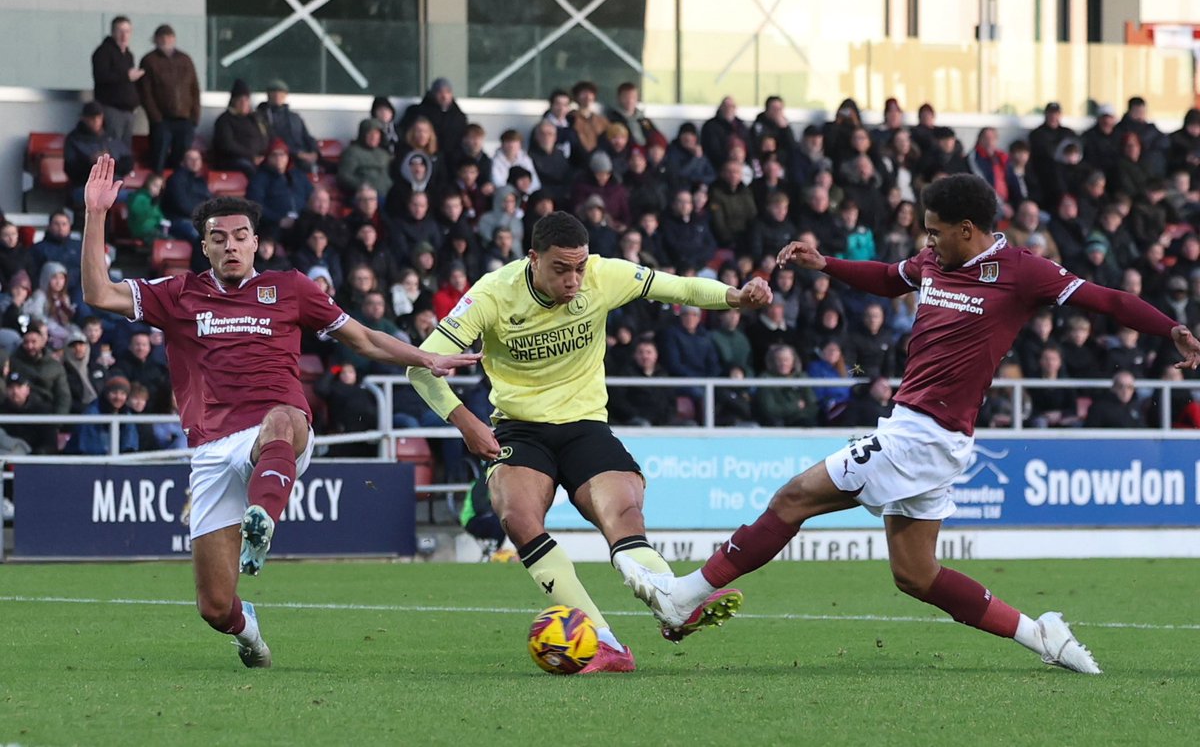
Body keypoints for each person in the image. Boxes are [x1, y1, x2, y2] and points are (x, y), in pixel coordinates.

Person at [617, 173, 1200, 674]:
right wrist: (828, 265)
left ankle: (683, 596)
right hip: (924, 434)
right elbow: (887, 276)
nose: (927, 239)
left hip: (924, 435)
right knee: (916, 575)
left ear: (968, 228)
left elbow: (1105, 300)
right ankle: (1041, 634)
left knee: (792, 498)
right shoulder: (931, 262)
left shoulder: (1022, 271)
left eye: (935, 229)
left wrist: (1168, 327)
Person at [79, 155, 480, 669]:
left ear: (255, 243)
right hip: (211, 448)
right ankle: (248, 631)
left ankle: (262, 515)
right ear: (203, 247)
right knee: (214, 606)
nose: (230, 245)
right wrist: (96, 215)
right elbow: (97, 292)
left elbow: (364, 338)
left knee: (288, 417)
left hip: (274, 433)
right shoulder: (179, 293)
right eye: (218, 238)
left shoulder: (290, 288)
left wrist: (425, 356)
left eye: (240, 235)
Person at [405, 211, 773, 672]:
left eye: (579, 268)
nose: (574, 280)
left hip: (585, 425)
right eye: (561, 269)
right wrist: (465, 421)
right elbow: (420, 366)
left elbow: (678, 287)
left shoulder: (603, 275)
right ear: (533, 259)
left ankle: (672, 601)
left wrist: (734, 297)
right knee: (518, 517)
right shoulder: (491, 294)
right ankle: (601, 640)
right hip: (520, 427)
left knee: (623, 511)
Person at [138, 24, 200, 173]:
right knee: (158, 157)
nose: (166, 41)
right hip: (162, 120)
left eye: (169, 37)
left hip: (185, 118)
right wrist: (156, 118)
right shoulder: (149, 60)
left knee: (182, 159)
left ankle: (177, 187)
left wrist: (194, 116)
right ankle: (157, 188)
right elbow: (145, 92)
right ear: (156, 40)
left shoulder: (185, 60)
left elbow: (194, 89)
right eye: (162, 38)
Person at [91, 15, 142, 146]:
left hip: (128, 110)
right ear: (113, 32)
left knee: (124, 150)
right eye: (120, 31)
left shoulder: (128, 55)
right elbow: (101, 76)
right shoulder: (103, 52)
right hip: (111, 108)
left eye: (127, 31)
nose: (124, 35)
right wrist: (126, 76)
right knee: (112, 147)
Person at [64, 101, 133, 192]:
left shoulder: (111, 136)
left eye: (99, 117)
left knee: (137, 199)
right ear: (84, 118)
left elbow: (128, 163)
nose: (96, 121)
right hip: (86, 187)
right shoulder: (74, 139)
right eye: (92, 118)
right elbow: (71, 170)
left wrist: (109, 163)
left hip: (114, 186)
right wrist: (91, 162)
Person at [211, 79, 270, 177]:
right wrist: (251, 156)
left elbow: (266, 137)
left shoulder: (256, 118)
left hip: (259, 158)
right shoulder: (224, 120)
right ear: (233, 101)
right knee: (251, 170)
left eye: (246, 100)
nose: (243, 103)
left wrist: (264, 156)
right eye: (240, 100)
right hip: (232, 160)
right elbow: (227, 145)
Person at [259, 80, 319, 172]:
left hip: (301, 154)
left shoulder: (295, 117)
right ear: (268, 95)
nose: (277, 96)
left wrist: (314, 152)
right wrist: (298, 154)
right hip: (282, 156)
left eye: (281, 93)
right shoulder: (262, 116)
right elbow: (272, 140)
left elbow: (307, 136)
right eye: (274, 93)